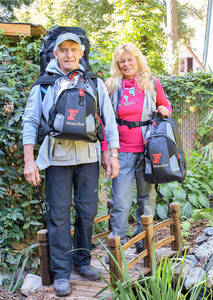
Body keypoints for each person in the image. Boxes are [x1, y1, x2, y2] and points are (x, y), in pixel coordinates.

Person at [22, 32, 119, 296]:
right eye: (63, 50)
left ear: (81, 53)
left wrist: (113, 154)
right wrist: (29, 161)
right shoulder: (43, 85)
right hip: (56, 159)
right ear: (55, 54)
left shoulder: (94, 83)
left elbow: (108, 121)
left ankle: (83, 261)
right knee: (58, 216)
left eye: (73, 50)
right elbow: (30, 122)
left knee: (87, 212)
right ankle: (62, 273)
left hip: (89, 157)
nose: (68, 55)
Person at [105, 42, 172, 255]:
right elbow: (103, 120)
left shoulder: (151, 82)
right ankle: (118, 246)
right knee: (120, 200)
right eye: (122, 61)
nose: (126, 64)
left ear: (137, 60)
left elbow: (167, 107)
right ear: (118, 64)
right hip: (122, 150)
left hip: (148, 150)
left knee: (147, 198)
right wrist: (107, 151)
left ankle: (144, 242)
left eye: (130, 60)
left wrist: (164, 110)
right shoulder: (112, 86)